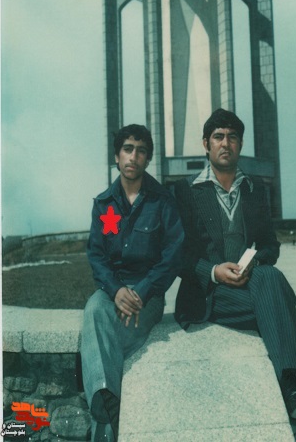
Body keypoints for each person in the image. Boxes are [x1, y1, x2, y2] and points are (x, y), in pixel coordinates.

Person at [173, 108, 296, 442]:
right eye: (218, 137)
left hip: (251, 287)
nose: (226, 143)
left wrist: (253, 262)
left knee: (269, 276)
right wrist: (213, 271)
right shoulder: (185, 191)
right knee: (278, 304)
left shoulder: (253, 190)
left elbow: (270, 246)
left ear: (240, 144)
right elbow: (176, 255)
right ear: (206, 144)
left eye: (232, 137)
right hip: (208, 295)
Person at [81, 124, 184, 442]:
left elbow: (173, 254)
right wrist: (116, 291)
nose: (133, 156)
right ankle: (108, 405)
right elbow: (97, 255)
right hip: (112, 292)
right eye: (127, 149)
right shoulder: (104, 204)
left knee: (106, 333)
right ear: (117, 156)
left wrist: (141, 291)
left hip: (148, 296)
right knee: (94, 309)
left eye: (141, 151)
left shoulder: (162, 201)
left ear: (147, 159)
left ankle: (103, 415)